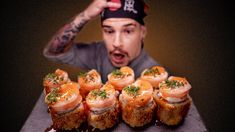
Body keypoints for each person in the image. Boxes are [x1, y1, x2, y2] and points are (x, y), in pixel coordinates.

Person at [43, 0, 160, 82]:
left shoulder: (156, 75)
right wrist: (84, 16)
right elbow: (54, 52)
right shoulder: (98, 53)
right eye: (109, 31)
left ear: (142, 33)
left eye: (128, 31)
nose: (117, 43)